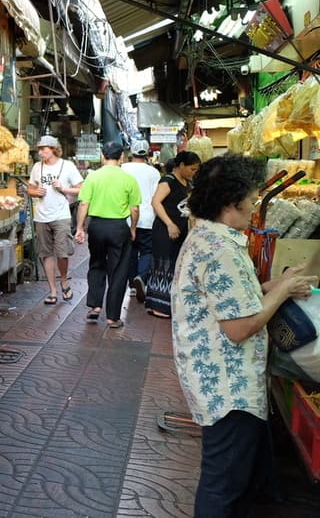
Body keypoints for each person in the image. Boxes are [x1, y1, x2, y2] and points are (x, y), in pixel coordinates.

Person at [171, 155, 316, 516]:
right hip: (227, 388)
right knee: (223, 485)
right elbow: (239, 327)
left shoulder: (207, 236)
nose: (255, 208)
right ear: (231, 204)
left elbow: (232, 299)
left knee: (238, 476)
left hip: (218, 381)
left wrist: (276, 284)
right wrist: (280, 293)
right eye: (251, 200)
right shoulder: (220, 250)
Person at [74, 141, 141, 328]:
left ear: (103, 156)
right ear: (121, 157)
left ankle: (95, 306)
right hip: (119, 227)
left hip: (96, 226)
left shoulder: (92, 178)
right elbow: (134, 209)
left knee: (96, 264)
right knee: (118, 271)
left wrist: (80, 227)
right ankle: (112, 317)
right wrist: (133, 228)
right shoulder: (129, 179)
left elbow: (83, 204)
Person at [143, 150, 201, 319]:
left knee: (174, 265)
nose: (193, 173)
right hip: (165, 230)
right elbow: (155, 202)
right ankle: (158, 306)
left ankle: (166, 303)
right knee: (163, 264)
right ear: (181, 165)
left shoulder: (187, 183)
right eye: (192, 169)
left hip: (180, 229)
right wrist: (169, 224)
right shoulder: (168, 180)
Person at [27, 135, 84, 304]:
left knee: (62, 253)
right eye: (39, 149)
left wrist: (63, 188)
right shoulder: (37, 167)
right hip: (41, 216)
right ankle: (52, 290)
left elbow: (81, 189)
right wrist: (35, 192)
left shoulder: (68, 166)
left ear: (53, 149)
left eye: (43, 148)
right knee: (46, 254)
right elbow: (30, 188)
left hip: (61, 216)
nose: (40, 152)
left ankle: (64, 280)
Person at [120, 139, 160, 302]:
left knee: (130, 252)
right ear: (148, 153)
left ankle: (131, 286)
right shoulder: (154, 172)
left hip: (125, 217)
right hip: (148, 218)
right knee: (147, 251)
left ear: (131, 152)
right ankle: (142, 278)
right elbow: (156, 197)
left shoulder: (122, 169)